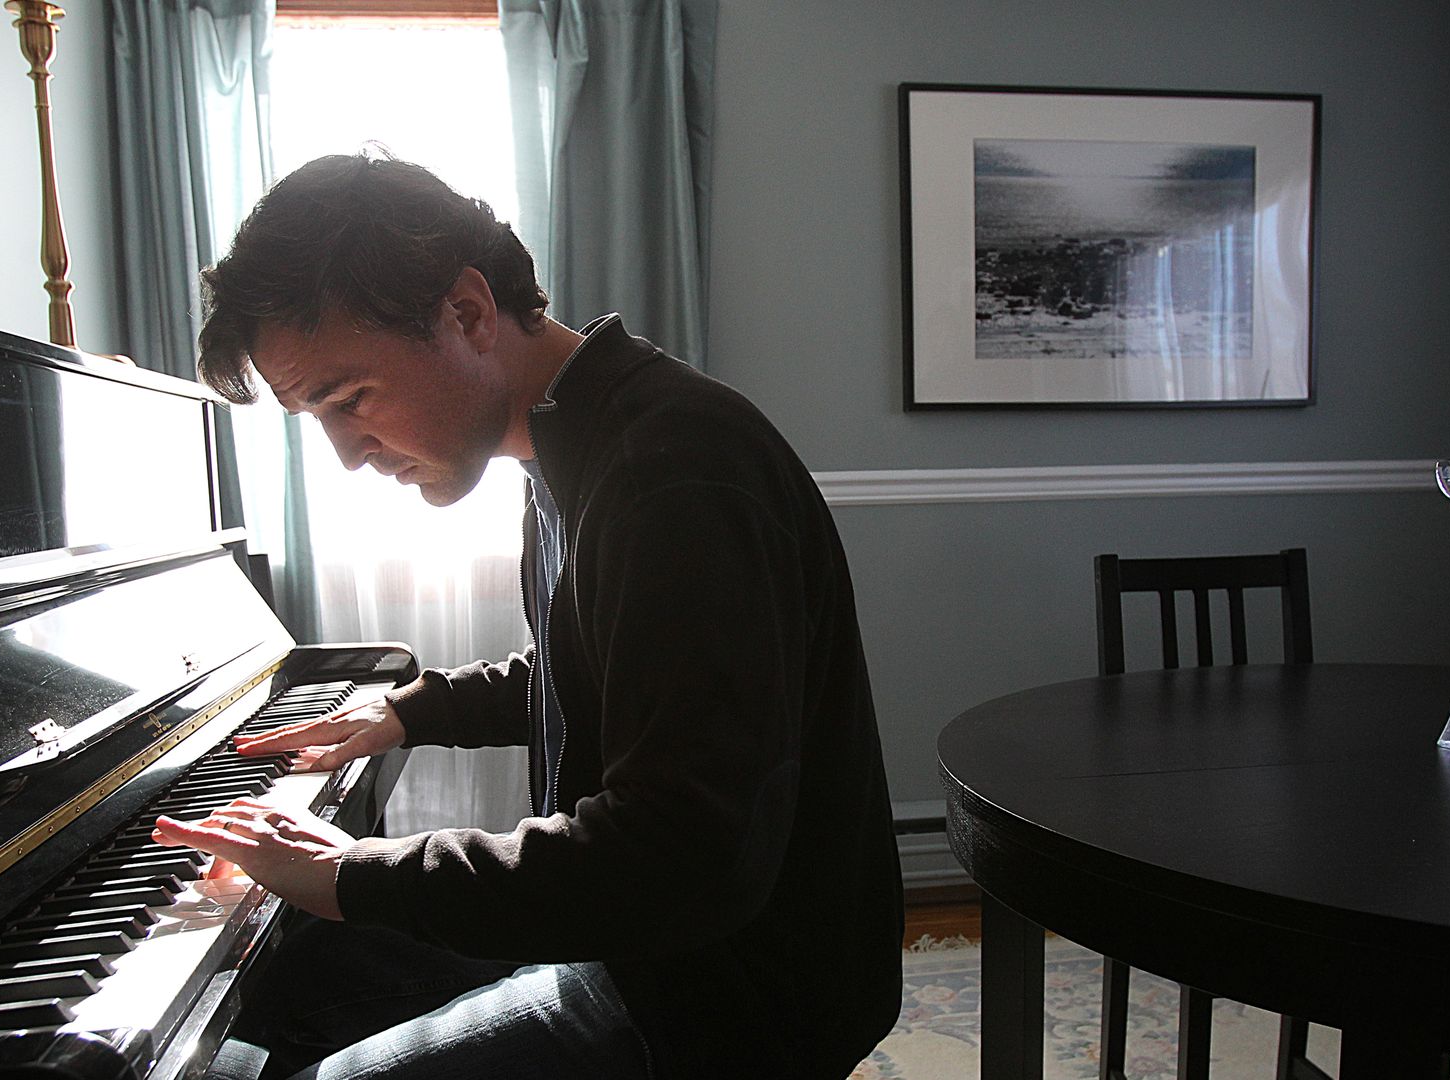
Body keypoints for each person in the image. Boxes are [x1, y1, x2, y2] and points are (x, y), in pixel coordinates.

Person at [156, 150, 904, 1080]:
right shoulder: (569, 442)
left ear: (467, 313)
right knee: (280, 986)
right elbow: (591, 667)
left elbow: (679, 856)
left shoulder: (673, 474)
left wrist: (359, 871)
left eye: (348, 399)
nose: (347, 455)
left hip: (715, 997)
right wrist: (409, 711)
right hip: (637, 936)